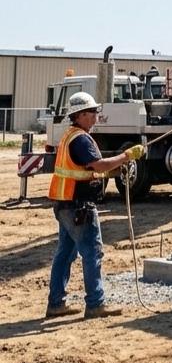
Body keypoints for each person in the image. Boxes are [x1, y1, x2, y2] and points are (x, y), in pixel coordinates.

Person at [46, 91, 145, 320]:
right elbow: (97, 166)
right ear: (79, 115)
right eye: (92, 112)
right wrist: (126, 156)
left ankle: (56, 303)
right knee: (92, 253)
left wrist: (115, 167)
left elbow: (87, 170)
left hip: (65, 204)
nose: (96, 116)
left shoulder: (70, 136)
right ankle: (95, 304)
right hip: (79, 206)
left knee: (65, 254)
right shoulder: (80, 139)